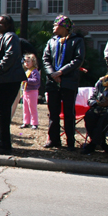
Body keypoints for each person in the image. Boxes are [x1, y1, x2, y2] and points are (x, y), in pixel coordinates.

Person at [42, 14, 85, 150]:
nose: (53, 28)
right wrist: (52, 74)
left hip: (69, 82)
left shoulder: (76, 41)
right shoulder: (51, 41)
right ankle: (54, 139)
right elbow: (46, 59)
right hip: (53, 82)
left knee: (68, 113)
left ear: (63, 27)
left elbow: (78, 59)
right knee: (53, 113)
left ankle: (70, 141)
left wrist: (61, 72)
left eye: (56, 25)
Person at [0, 15, 26, 155]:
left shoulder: (11, 36)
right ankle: (0, 141)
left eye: (2, 23)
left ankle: (5, 145)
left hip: (6, 80)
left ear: (9, 25)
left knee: (2, 113)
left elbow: (11, 54)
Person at [20, 54, 40, 129]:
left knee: (32, 108)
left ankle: (34, 123)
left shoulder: (34, 71)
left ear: (33, 62)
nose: (26, 63)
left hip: (32, 91)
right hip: (26, 91)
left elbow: (36, 81)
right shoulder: (26, 71)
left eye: (28, 61)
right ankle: (26, 122)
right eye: (25, 62)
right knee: (25, 108)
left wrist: (27, 80)